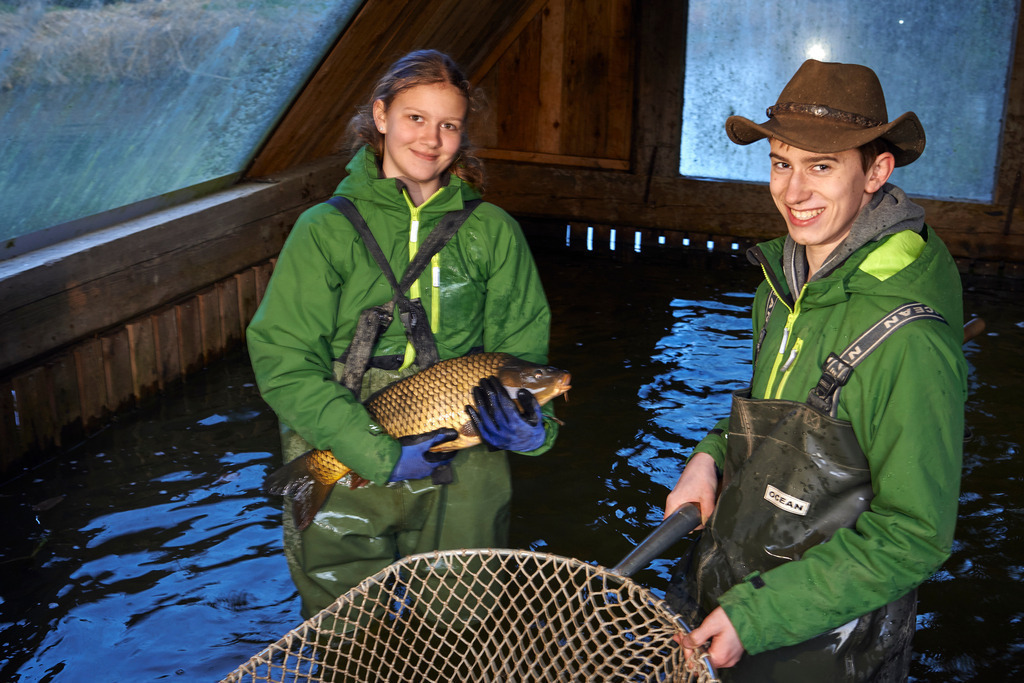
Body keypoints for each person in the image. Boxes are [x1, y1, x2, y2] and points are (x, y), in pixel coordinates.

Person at [663, 60, 968, 681]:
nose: (794, 192)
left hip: (831, 642)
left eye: (821, 166)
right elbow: (771, 410)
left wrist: (760, 617)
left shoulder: (910, 340)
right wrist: (709, 459)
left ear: (876, 172)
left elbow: (914, 534)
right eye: (782, 163)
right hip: (738, 584)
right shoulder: (780, 285)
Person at [246, 49, 559, 620]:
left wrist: (534, 429)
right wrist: (375, 452)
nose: (431, 138)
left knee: (466, 624)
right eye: (416, 118)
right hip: (340, 435)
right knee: (347, 631)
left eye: (449, 125)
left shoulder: (494, 231)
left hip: (466, 456)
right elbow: (284, 361)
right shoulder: (323, 230)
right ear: (381, 115)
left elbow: (524, 355)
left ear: (463, 136)